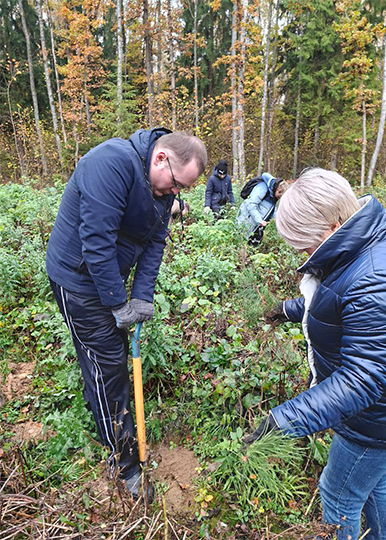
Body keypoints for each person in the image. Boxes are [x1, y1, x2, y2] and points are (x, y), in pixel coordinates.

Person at [45, 129, 207, 502]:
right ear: (161, 158)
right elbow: (97, 241)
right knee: (110, 368)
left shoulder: (162, 189)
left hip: (106, 280)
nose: (174, 194)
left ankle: (100, 405)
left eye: (181, 190)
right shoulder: (111, 163)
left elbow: (154, 242)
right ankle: (125, 467)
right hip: (78, 279)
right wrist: (118, 304)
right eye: (175, 185)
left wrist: (142, 298)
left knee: (107, 360)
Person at [242, 168, 386, 540]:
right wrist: (288, 309)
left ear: (331, 227)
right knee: (374, 482)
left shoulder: (378, 279)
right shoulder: (364, 248)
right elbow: (338, 300)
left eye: (304, 244)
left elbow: (361, 381)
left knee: (338, 493)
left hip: (377, 419)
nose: (301, 253)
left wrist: (283, 421)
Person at [236, 172, 288, 246]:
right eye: (279, 196)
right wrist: (259, 220)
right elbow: (251, 204)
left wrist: (277, 218)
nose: (279, 198)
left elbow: (271, 208)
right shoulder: (262, 188)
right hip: (247, 221)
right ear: (278, 189)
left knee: (254, 247)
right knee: (242, 244)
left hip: (258, 225)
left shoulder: (273, 195)